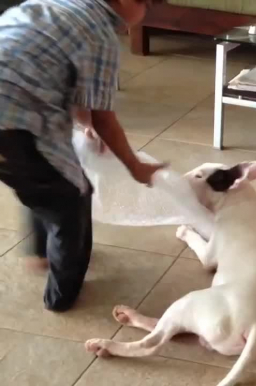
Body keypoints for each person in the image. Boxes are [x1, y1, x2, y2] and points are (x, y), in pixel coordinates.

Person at [0, 0, 165, 312]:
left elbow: (72, 88)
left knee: (43, 183)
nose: (146, 14)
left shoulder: (49, 4)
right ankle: (61, 296)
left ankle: (41, 253)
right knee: (72, 197)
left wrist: (84, 124)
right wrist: (135, 166)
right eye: (148, 5)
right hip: (12, 125)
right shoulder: (99, 34)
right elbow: (104, 116)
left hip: (10, 120)